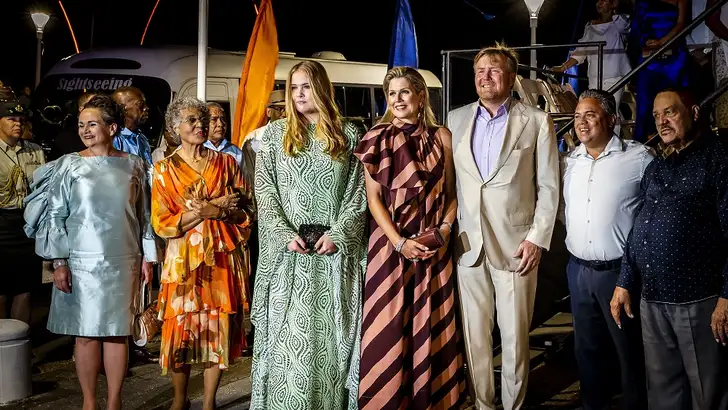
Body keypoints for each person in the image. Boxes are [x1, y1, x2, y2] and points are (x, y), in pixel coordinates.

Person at [23, 95, 157, 410]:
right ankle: (89, 402)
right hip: (80, 264)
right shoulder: (69, 164)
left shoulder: (135, 164)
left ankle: (114, 402)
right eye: (81, 125)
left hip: (124, 261)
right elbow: (56, 215)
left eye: (92, 124)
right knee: (84, 335)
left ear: (112, 128)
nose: (85, 130)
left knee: (117, 334)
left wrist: (148, 257)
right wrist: (59, 261)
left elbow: (145, 216)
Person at [446, 43, 559, 410]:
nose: (485, 76)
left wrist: (537, 239)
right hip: (468, 246)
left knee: (514, 339)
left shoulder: (536, 121)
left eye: (494, 70)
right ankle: (483, 404)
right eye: (480, 71)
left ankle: (514, 406)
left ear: (511, 78)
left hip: (517, 247)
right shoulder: (455, 120)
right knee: (475, 337)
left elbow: (549, 186)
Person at [249, 60, 367, 410]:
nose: (299, 94)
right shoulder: (274, 135)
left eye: (306, 87)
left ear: (322, 88)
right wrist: (283, 234)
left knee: (333, 341)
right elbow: (264, 190)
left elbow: (358, 193)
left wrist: (340, 234)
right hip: (289, 259)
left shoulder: (348, 134)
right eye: (294, 88)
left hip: (334, 259)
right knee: (288, 340)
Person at [354, 66, 465, 409]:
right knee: (387, 327)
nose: (398, 99)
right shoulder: (376, 137)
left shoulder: (442, 136)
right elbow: (374, 199)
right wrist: (400, 242)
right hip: (390, 247)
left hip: (433, 247)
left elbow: (452, 193)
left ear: (420, 96)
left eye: (404, 92)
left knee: (431, 323)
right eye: (392, 94)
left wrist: (443, 230)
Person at [611, 88, 728, 410]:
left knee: (708, 392)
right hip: (652, 299)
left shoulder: (718, 161)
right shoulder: (657, 167)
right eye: (656, 116)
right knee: (662, 391)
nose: (662, 121)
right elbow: (639, 227)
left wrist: (727, 297)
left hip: (698, 299)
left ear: (693, 113)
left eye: (670, 112)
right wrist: (624, 281)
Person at [151, 96, 252, 410]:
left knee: (216, 329)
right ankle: (180, 400)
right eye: (192, 120)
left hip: (221, 257)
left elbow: (246, 211)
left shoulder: (227, 164)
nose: (201, 126)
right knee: (180, 330)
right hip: (183, 262)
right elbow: (163, 223)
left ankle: (209, 402)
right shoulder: (164, 170)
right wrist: (208, 208)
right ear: (175, 127)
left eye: (204, 121)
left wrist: (219, 212)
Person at [561, 89, 651, 410]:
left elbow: (652, 214)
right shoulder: (570, 161)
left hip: (619, 274)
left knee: (628, 352)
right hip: (578, 271)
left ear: (611, 119)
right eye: (577, 116)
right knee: (587, 352)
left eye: (590, 115)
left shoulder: (639, 158)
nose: (581, 123)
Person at [553, 0, 631, 135]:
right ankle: (598, 138)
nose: (599, 3)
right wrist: (563, 67)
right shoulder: (590, 26)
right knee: (597, 110)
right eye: (597, 0)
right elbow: (581, 51)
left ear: (614, 3)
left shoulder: (619, 23)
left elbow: (626, 27)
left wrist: (613, 12)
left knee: (611, 109)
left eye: (603, 0)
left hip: (614, 76)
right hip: (595, 77)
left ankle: (612, 141)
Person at [0, 87, 44, 324]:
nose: (18, 124)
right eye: (11, 119)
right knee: (1, 290)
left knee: (25, 288)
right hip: (1, 223)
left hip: (27, 223)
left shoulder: (34, 151)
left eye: (20, 119)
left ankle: (22, 340)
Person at [629, 0, 691, 141]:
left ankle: (678, 139)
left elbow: (682, 23)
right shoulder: (642, 3)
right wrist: (645, 42)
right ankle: (647, 141)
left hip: (674, 55)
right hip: (650, 56)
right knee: (645, 103)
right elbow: (637, 26)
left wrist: (663, 42)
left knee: (675, 99)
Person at [112, 86, 153, 164]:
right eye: (140, 104)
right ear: (123, 108)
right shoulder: (114, 139)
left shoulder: (142, 138)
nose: (146, 108)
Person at [204, 102, 244, 167]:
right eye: (214, 119)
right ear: (204, 122)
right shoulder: (195, 149)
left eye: (223, 119)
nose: (220, 124)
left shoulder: (236, 152)